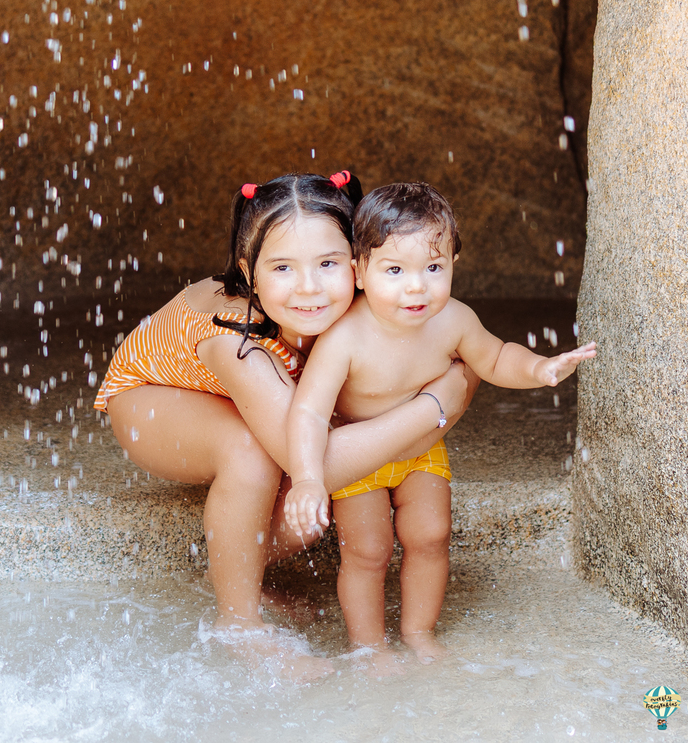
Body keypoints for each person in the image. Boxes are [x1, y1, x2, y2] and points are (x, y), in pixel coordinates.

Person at [93, 173, 478, 676]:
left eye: (328, 263)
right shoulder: (240, 340)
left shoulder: (370, 301)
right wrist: (435, 405)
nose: (309, 287)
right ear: (248, 273)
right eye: (281, 267)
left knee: (309, 513)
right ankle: (238, 622)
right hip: (154, 399)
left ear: (360, 265)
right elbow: (322, 466)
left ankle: (241, 565)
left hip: (251, 400)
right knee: (260, 454)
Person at [284, 182, 596, 664]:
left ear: (453, 264)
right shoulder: (345, 337)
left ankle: (419, 632)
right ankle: (369, 647)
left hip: (420, 450)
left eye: (434, 268)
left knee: (430, 535)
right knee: (368, 552)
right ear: (359, 271)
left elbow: (494, 357)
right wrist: (307, 477)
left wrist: (539, 368)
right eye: (395, 270)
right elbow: (307, 410)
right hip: (360, 450)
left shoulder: (453, 319)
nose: (417, 286)